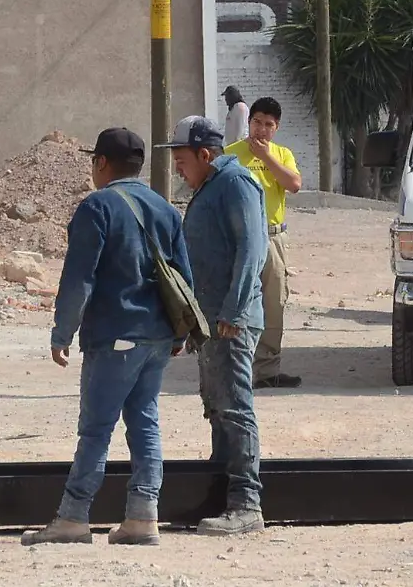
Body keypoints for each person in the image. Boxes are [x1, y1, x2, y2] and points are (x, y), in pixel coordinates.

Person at [23, 128, 196, 547]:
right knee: (145, 424)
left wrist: (62, 332)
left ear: (102, 163)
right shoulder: (166, 209)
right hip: (156, 337)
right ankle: (142, 518)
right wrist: (179, 332)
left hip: (116, 337)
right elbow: (184, 275)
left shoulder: (96, 207)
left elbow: (79, 277)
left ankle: (73, 518)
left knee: (97, 429)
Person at [163, 114, 268, 536]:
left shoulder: (236, 184)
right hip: (210, 324)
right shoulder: (209, 186)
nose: (177, 169)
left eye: (182, 160)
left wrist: (232, 311)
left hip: (230, 323)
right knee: (218, 408)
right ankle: (219, 496)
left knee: (236, 409)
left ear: (205, 154)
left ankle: (246, 504)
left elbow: (252, 250)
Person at [224, 97, 304, 390]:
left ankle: (268, 371)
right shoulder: (231, 154)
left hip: (273, 238)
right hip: (239, 238)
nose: (261, 129)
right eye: (257, 122)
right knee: (238, 301)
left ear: (276, 128)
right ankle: (235, 369)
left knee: (274, 303)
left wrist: (267, 157)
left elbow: (293, 185)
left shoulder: (282, 154)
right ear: (249, 122)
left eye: (268, 125)